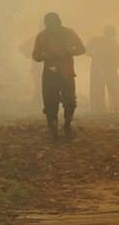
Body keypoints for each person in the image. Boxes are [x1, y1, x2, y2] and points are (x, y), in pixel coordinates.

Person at [30, 12, 86, 141]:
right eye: (50, 25)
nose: (53, 28)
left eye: (54, 24)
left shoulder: (69, 33)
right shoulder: (42, 36)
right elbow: (35, 55)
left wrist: (70, 51)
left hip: (66, 73)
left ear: (59, 22)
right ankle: (53, 128)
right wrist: (43, 56)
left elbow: (82, 49)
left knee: (70, 101)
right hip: (50, 73)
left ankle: (67, 125)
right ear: (47, 25)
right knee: (50, 102)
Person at [86, 24, 119, 113]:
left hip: (107, 69)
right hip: (99, 68)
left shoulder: (114, 43)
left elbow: (87, 51)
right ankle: (101, 110)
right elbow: (87, 50)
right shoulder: (96, 40)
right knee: (104, 90)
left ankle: (112, 109)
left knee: (114, 89)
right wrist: (94, 55)